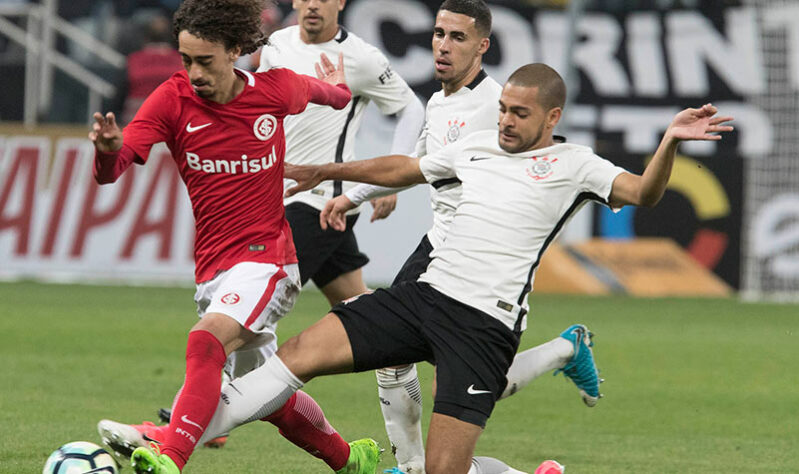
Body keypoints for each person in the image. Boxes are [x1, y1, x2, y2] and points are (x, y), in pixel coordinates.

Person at [165, 64, 733, 474]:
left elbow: (644, 193)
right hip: (424, 297)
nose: (506, 120)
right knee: (297, 355)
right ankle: (174, 446)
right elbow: (405, 167)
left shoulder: (576, 164)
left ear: (552, 116)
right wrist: (326, 171)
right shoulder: (478, 146)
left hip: (483, 327)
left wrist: (669, 143)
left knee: (442, 471)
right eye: (504, 108)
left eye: (521, 113)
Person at [89, 1, 380, 473]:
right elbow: (113, 169)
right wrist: (108, 150)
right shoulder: (172, 99)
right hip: (214, 270)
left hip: (269, 261)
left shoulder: (276, 90)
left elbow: (336, 97)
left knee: (206, 342)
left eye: (205, 60)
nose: (194, 72)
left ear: (237, 50)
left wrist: (339, 84)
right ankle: (353, 461)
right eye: (186, 60)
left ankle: (170, 457)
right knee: (270, 397)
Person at [324, 2, 598, 472]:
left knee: (459, 382)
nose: (443, 46)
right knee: (396, 361)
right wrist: (358, 196)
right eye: (438, 34)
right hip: (438, 248)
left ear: (482, 46)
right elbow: (414, 164)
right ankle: (410, 465)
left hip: (478, 258)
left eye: (456, 37)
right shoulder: (440, 99)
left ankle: (565, 349)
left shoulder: (496, 109)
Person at [262, 0, 423, 307]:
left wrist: (391, 178)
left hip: (322, 200)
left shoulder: (361, 57)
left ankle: (226, 352)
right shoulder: (276, 44)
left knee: (264, 295)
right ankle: (399, 350)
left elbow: (411, 109)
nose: (312, 6)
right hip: (277, 192)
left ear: (340, 3)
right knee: (356, 307)